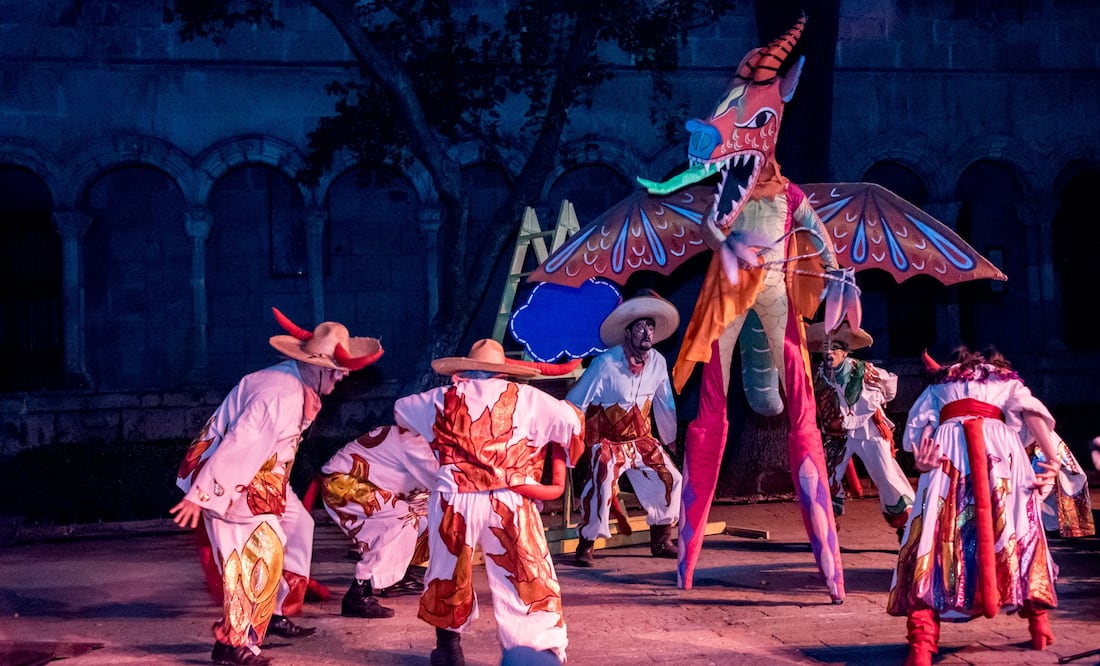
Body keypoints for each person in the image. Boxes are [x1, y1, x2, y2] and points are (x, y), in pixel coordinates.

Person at [171, 308, 382, 666]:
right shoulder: (280, 395)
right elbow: (242, 443)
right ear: (316, 366)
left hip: (263, 480)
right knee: (256, 556)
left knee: (299, 526)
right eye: (338, 368)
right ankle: (235, 645)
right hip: (235, 483)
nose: (345, 374)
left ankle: (276, 610)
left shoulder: (292, 381)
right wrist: (201, 494)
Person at [394, 338, 585, 666]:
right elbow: (571, 423)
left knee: (448, 571)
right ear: (502, 372)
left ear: (465, 371)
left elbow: (401, 411)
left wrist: (433, 457)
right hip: (509, 496)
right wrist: (540, 450)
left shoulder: (440, 398)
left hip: (455, 498)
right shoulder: (528, 397)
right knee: (525, 569)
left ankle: (449, 651)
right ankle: (534, 651)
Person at [887, 346, 1061, 666]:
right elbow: (1031, 412)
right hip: (973, 453)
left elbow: (1029, 411)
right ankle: (1036, 623)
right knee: (1002, 528)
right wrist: (922, 462)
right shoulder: (968, 384)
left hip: (975, 454)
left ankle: (924, 642)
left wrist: (1051, 458)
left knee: (957, 533)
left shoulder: (958, 384)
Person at [566, 291, 683, 566]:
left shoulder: (658, 362)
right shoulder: (605, 363)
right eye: (641, 327)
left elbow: (665, 403)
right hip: (606, 440)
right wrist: (568, 437)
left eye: (651, 327)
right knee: (603, 480)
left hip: (641, 439)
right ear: (628, 332)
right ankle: (586, 543)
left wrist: (670, 438)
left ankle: (661, 538)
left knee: (671, 478)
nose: (647, 333)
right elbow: (576, 401)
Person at [319, 424, 437, 619]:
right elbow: (442, 480)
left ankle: (393, 578)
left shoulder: (427, 437)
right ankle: (358, 593)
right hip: (343, 483)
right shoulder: (415, 441)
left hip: (378, 488)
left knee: (433, 515)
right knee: (401, 518)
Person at [807, 321, 914, 537]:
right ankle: (827, 527)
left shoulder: (863, 371)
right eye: (825, 348)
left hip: (869, 430)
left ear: (845, 352)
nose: (829, 352)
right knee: (827, 477)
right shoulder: (818, 377)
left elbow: (890, 388)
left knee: (885, 473)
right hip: (837, 433)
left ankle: (908, 526)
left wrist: (875, 403)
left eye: (835, 347)